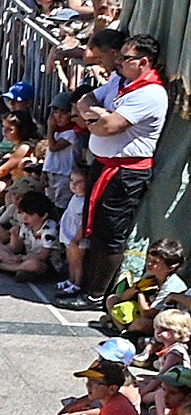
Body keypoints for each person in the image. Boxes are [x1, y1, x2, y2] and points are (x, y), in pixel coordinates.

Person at [69, 32, 171, 301]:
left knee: (109, 234)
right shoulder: (119, 80)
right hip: (102, 165)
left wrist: (95, 119)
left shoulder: (150, 93)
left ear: (143, 62)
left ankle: (96, 294)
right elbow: (84, 101)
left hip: (126, 173)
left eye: (126, 58)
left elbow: (110, 127)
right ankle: (84, 284)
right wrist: (98, 116)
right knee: (93, 229)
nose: (118, 62)